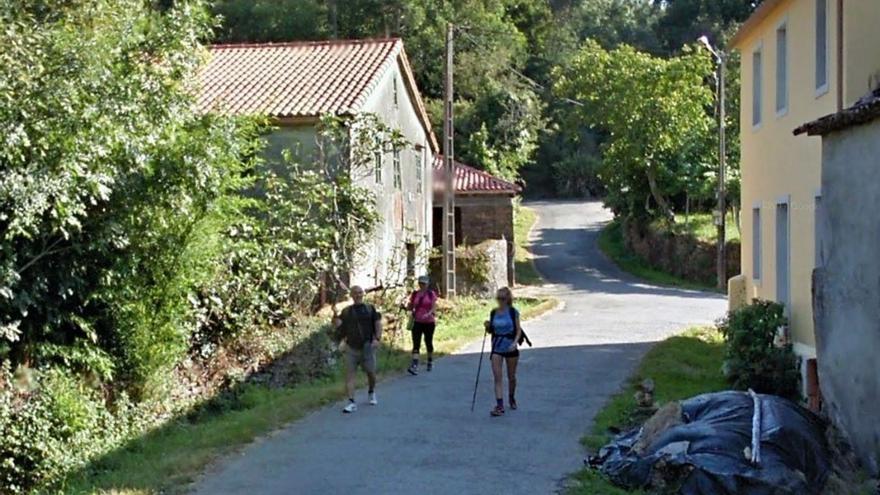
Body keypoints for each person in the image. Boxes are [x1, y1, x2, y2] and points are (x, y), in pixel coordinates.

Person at [333, 285, 382, 414]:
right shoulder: (346, 312)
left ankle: (371, 392)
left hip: (367, 347)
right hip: (351, 348)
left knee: (371, 373)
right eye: (355, 293)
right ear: (351, 295)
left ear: (363, 294)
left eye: (360, 292)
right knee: (350, 375)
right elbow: (340, 330)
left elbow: (377, 323)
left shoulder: (370, 309)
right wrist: (336, 321)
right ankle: (351, 401)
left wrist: (377, 338)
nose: (358, 295)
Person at [484, 287, 523, 417]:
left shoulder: (513, 312)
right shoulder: (494, 312)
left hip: (510, 347)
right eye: (498, 298)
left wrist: (514, 343)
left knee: (511, 377)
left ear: (508, 299)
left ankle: (511, 397)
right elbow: (491, 331)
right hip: (497, 348)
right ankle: (500, 405)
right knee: (497, 377)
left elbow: (518, 331)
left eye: (502, 299)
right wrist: (488, 326)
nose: (500, 301)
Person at [406, 275, 438, 375]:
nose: (422, 285)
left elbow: (434, 307)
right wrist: (406, 306)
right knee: (416, 343)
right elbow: (411, 306)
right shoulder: (415, 294)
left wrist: (428, 314)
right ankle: (415, 365)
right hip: (417, 321)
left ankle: (430, 360)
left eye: (424, 283)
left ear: (427, 284)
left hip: (429, 322)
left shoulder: (431, 294)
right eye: (420, 283)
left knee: (428, 341)